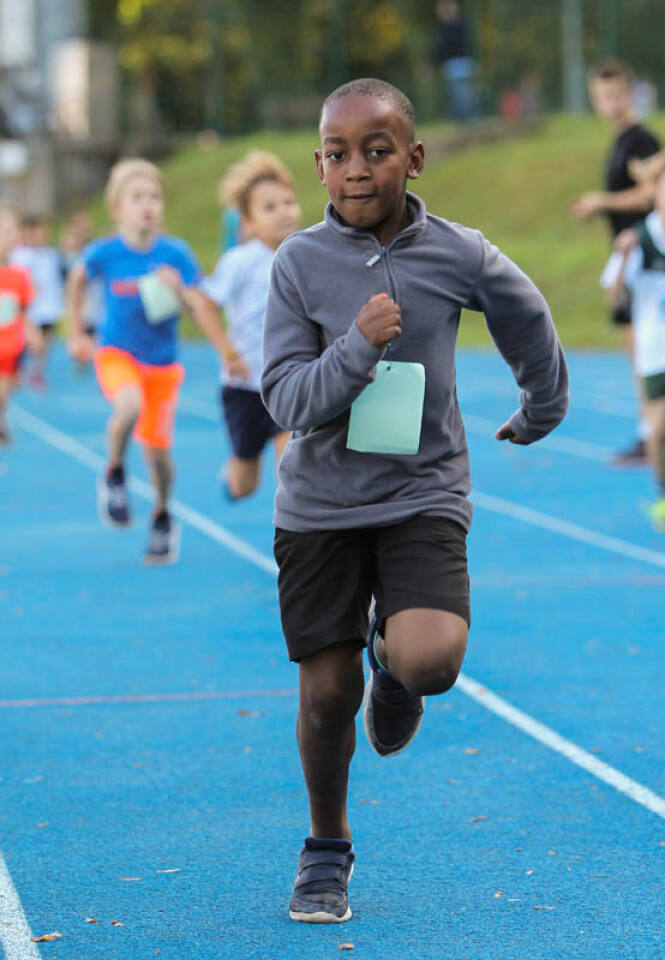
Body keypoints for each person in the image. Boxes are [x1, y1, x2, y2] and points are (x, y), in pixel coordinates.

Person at [261, 77, 569, 924]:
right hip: (320, 508)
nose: (356, 170)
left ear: (414, 157)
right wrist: (355, 348)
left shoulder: (458, 252)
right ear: (318, 166)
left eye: (376, 150)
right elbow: (285, 400)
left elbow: (524, 314)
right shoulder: (298, 264)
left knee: (430, 661)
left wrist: (542, 404)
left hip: (419, 492)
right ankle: (326, 847)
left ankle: (392, 661)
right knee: (327, 695)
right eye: (336, 154)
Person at [67, 158, 233, 565]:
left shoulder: (175, 253)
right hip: (116, 353)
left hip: (162, 363)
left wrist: (180, 290)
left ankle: (162, 515)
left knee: (157, 454)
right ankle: (114, 473)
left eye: (155, 197)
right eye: (137, 197)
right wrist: (75, 332)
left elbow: (199, 303)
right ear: (117, 208)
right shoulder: (104, 252)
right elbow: (77, 279)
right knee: (128, 406)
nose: (147, 205)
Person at [571, 60, 661, 465]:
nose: (609, 104)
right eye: (601, 97)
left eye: (615, 96)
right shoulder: (622, 140)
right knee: (639, 348)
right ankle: (649, 433)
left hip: (648, 260)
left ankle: (651, 435)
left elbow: (650, 194)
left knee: (647, 351)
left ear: (629, 94)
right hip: (629, 258)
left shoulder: (642, 140)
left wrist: (601, 201)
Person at [199, 151, 298, 499]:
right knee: (245, 485)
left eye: (288, 203)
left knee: (292, 470)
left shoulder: (305, 255)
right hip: (244, 387)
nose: (283, 212)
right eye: (270, 207)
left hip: (288, 382)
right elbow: (205, 305)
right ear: (249, 222)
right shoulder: (240, 261)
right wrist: (228, 352)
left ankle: (295, 524)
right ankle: (233, 478)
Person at [602, 154, 665, 530]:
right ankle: (662, 493)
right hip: (656, 348)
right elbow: (615, 299)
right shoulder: (639, 239)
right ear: (654, 192)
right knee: (659, 429)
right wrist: (623, 260)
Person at [0, 209, 42, 444]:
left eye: (10, 231)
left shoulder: (19, 275)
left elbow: (24, 309)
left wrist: (32, 332)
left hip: (11, 343)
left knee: (8, 385)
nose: (6, 236)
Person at [10, 214, 65, 390]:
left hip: (49, 307)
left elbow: (57, 278)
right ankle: (17, 370)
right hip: (29, 309)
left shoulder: (51, 254)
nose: (43, 234)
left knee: (45, 343)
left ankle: (36, 372)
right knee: (25, 343)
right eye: (40, 230)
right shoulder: (21, 254)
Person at [60, 211, 104, 357]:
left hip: (94, 308)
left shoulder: (94, 253)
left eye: (85, 230)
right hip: (78, 307)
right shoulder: (67, 257)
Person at [432, 1, 476, 122]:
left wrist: (437, 59)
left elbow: (444, 46)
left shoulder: (447, 28)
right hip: (464, 61)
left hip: (454, 63)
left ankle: (465, 118)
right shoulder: (463, 25)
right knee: (465, 90)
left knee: (458, 92)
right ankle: (468, 117)